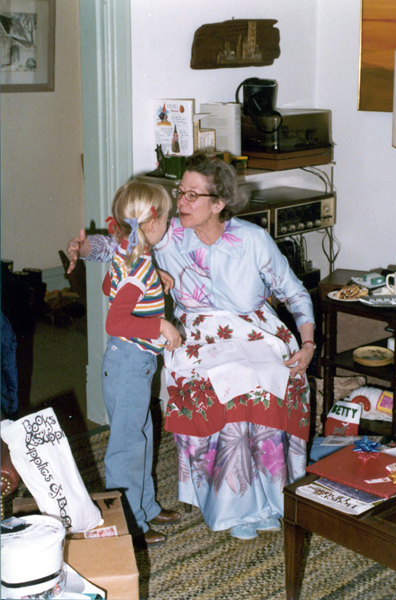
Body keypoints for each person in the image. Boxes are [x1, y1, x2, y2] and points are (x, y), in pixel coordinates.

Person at [67, 153, 315, 541]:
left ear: (218, 203)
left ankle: (270, 499)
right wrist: (83, 248)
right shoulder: (168, 234)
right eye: (180, 192)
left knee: (270, 376)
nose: (181, 201)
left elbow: (295, 293)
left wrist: (308, 341)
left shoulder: (252, 240)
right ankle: (235, 506)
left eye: (192, 195)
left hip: (258, 330)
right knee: (229, 381)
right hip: (198, 334)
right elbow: (121, 244)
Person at [99, 180, 182, 548]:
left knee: (141, 436)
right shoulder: (139, 265)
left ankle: (145, 507)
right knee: (127, 445)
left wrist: (152, 281)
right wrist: (160, 325)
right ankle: (129, 523)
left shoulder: (130, 253)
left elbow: (109, 287)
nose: (169, 223)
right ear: (151, 224)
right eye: (166, 218)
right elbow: (115, 321)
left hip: (132, 363)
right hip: (129, 364)